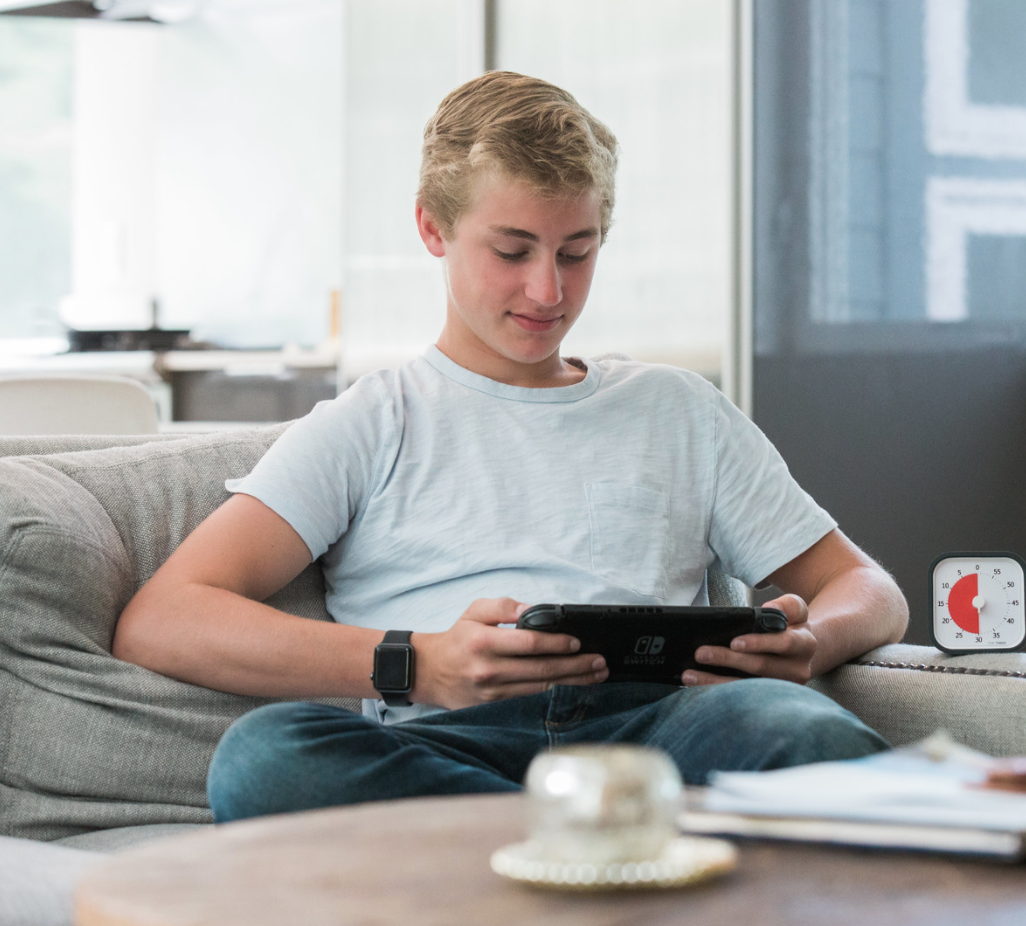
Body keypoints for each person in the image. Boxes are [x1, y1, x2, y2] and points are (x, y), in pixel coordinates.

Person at [113, 71, 910, 822]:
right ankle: (587, 840)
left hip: (661, 735)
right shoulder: (372, 420)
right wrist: (418, 663)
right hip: (447, 741)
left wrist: (812, 644)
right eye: (513, 250)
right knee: (265, 758)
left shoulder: (678, 410)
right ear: (433, 226)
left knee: (802, 730)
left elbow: (867, 588)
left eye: (577, 251)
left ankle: (541, 850)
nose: (548, 291)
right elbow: (164, 620)